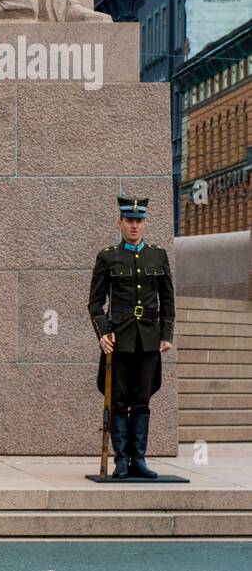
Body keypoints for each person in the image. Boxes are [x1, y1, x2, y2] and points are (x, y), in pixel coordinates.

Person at [87, 196, 175, 479]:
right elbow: (95, 302)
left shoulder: (157, 255)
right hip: (119, 337)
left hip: (149, 338)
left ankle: (139, 459)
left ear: (144, 223)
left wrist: (166, 333)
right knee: (118, 399)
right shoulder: (108, 256)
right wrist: (103, 333)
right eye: (129, 220)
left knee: (142, 399)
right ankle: (121, 460)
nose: (134, 226)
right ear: (120, 222)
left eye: (139, 221)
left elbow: (167, 298)